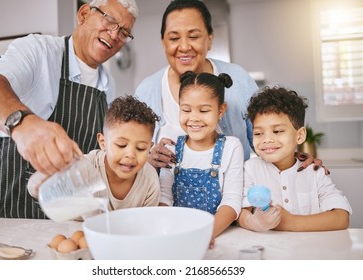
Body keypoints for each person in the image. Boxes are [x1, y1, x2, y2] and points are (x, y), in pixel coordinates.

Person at [0, 0, 139, 218]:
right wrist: (24, 124)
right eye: (109, 21)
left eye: (124, 32)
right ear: (84, 14)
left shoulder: (107, 84)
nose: (114, 34)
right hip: (1, 203)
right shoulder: (38, 50)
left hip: (59, 210)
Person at [134, 0, 322, 172]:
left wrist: (293, 159)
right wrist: (148, 160)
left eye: (193, 36)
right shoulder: (147, 90)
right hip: (167, 205)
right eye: (174, 38)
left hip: (234, 203)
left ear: (209, 39)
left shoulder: (238, 79)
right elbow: (131, 156)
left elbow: (267, 136)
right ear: (163, 43)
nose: (184, 47)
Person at [238, 86, 352, 232]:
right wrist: (253, 222)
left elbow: (341, 217)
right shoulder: (250, 169)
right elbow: (239, 213)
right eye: (258, 133)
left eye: (277, 131)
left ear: (300, 135)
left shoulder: (315, 173)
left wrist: (290, 222)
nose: (266, 139)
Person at [28, 95, 161, 211]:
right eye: (121, 145)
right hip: (77, 234)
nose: (130, 154)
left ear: (150, 147)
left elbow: (146, 225)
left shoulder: (149, 179)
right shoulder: (85, 167)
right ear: (103, 143)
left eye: (141, 148)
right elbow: (35, 188)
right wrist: (42, 179)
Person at [159, 71, 244, 247]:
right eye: (186, 110)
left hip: (217, 237)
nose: (194, 118)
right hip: (176, 236)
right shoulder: (171, 148)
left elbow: (232, 201)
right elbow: (164, 197)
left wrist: (205, 234)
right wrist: (171, 231)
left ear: (221, 110)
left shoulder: (231, 147)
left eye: (204, 110)